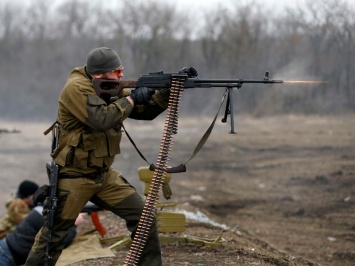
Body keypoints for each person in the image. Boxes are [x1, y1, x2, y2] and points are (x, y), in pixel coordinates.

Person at [25, 47, 170, 265]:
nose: (121, 76)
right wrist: (130, 101)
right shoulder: (76, 89)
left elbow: (144, 112)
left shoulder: (109, 87)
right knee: (53, 236)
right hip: (74, 177)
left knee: (144, 217)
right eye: (117, 72)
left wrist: (165, 92)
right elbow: (101, 119)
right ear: (98, 74)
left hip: (102, 176)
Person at [0, 205, 84, 266]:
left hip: (7, 251)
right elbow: (59, 241)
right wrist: (73, 224)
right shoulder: (44, 217)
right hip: (6, 255)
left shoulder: (41, 209)